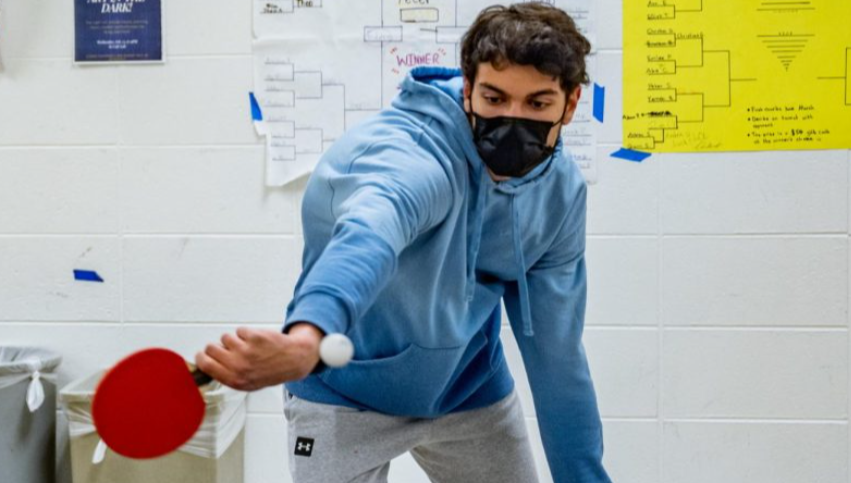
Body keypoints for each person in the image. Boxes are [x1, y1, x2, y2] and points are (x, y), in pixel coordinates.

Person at [196, 3, 612, 482]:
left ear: (572, 102)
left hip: (468, 390)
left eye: (537, 104)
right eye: (494, 99)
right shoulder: (417, 159)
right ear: (469, 89)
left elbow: (556, 356)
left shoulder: (558, 193)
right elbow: (369, 236)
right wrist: (307, 337)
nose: (511, 119)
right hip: (345, 392)